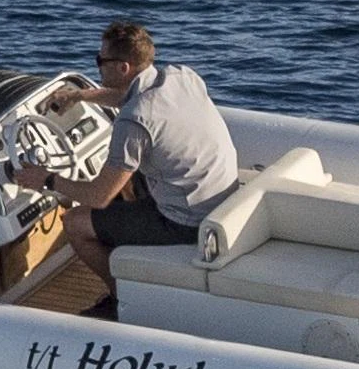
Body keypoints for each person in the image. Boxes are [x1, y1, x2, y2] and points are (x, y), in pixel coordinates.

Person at [84, 21, 243, 257]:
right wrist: (79, 96)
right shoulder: (182, 76)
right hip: (219, 199)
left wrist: (47, 180)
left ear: (123, 68)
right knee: (129, 172)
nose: (98, 66)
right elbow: (129, 98)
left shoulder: (132, 120)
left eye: (100, 61)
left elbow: (98, 196)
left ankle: (117, 293)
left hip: (186, 223)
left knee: (75, 223)